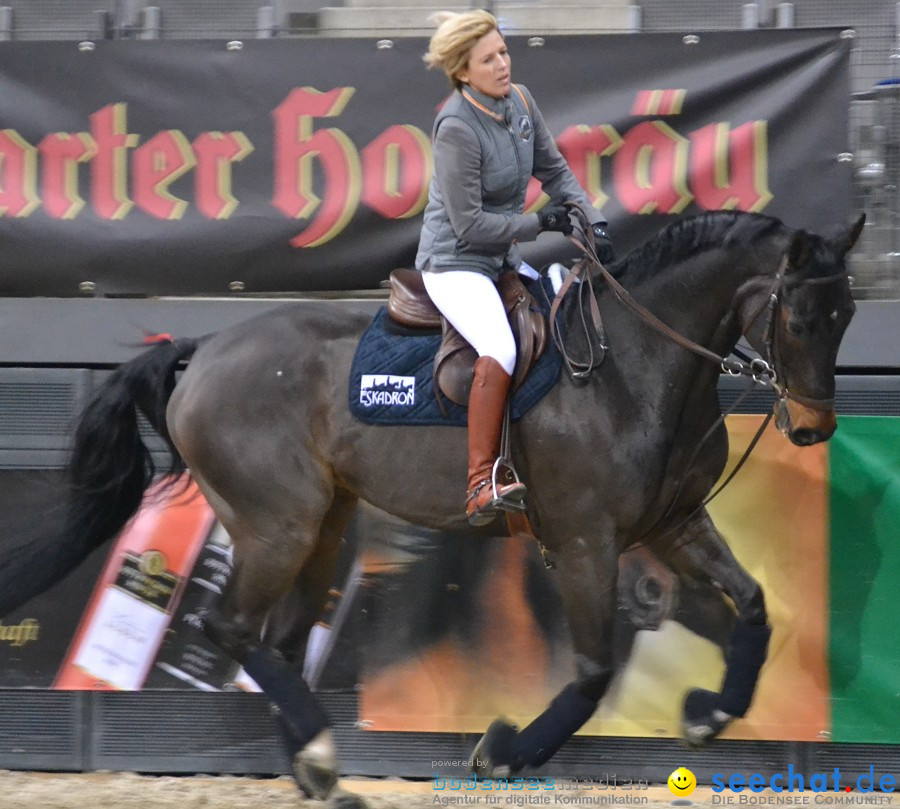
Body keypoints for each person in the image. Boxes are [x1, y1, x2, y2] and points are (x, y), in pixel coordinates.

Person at [416, 9, 614, 526]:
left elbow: (556, 170)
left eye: (503, 52)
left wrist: (594, 222)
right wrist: (538, 223)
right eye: (489, 59)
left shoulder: (522, 101)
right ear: (463, 71)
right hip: (455, 263)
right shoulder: (456, 126)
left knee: (561, 319)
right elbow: (469, 226)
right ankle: (481, 481)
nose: (503, 64)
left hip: (500, 258)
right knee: (500, 346)